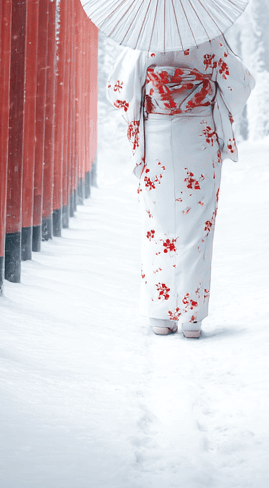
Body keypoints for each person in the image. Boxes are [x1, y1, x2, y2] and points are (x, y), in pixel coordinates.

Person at [107, 34, 254, 339]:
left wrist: (158, 95)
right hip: (198, 135)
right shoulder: (209, 36)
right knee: (197, 227)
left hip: (157, 136)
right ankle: (191, 319)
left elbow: (119, 91)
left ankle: (160, 315)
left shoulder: (143, 38)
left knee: (157, 225)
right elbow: (239, 86)